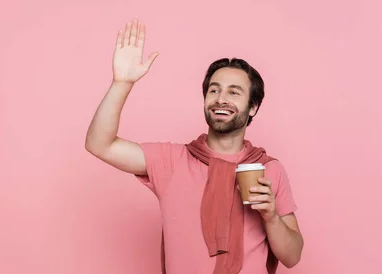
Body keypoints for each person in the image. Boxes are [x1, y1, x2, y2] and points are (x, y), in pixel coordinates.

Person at [85, 19, 304, 274]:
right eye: (214, 90)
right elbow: (100, 145)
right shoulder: (172, 161)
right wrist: (121, 83)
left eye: (234, 92)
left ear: (253, 106)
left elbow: (293, 256)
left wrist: (271, 216)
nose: (221, 99)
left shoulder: (270, 169)